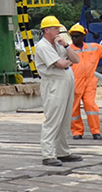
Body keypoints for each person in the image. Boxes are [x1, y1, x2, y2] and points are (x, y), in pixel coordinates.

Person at [34, 16, 81, 166]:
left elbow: (76, 59)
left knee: (65, 120)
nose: (58, 31)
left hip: (65, 84)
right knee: (53, 119)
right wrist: (67, 63)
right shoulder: (42, 46)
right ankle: (47, 155)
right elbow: (61, 64)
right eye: (55, 28)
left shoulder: (59, 44)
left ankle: (63, 152)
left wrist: (67, 46)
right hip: (54, 85)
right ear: (46, 30)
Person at [68, 23, 102, 140]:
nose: (75, 39)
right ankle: (77, 132)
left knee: (91, 106)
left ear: (83, 36)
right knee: (74, 108)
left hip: (89, 82)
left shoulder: (93, 48)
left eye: (77, 36)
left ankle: (95, 131)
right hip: (74, 83)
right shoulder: (68, 50)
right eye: (73, 36)